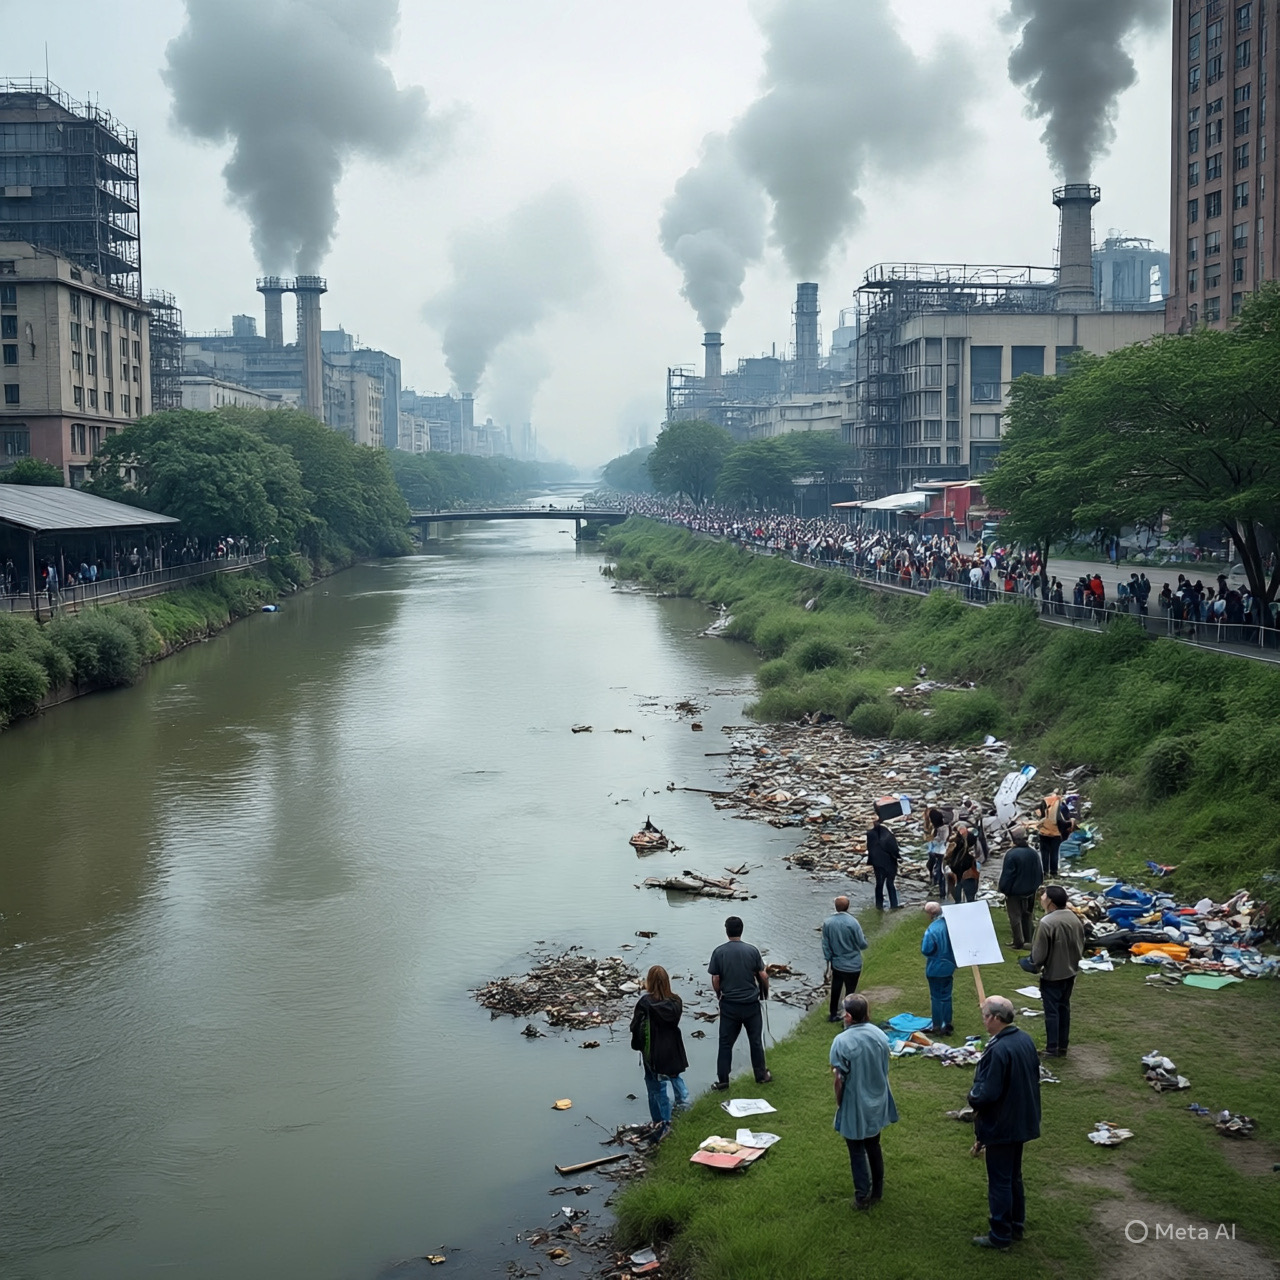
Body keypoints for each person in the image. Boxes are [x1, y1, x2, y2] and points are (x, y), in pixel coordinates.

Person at [967, 997, 1042, 1248]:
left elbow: (988, 1093)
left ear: (997, 1019)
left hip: (1002, 1122)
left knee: (1000, 1180)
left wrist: (972, 1098)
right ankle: (1016, 1226)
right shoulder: (1024, 1039)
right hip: (1021, 1118)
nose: (983, 1020)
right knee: (1013, 1177)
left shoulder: (999, 1049)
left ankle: (1000, 1235)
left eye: (985, 1016)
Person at [830, 993, 898, 1210]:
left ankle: (861, 1197)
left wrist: (840, 1102)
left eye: (843, 1011)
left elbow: (839, 1078)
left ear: (849, 1016)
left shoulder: (842, 1041)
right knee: (873, 1144)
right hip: (877, 1097)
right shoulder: (880, 1034)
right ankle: (877, 1191)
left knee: (856, 1148)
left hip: (856, 1100)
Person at [1020, 886, 1085, 1058]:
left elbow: (1039, 954)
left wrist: (1030, 963)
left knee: (1052, 1011)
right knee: (1064, 1008)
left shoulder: (1047, 922)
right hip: (1071, 970)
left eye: (1044, 896)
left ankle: (1052, 1048)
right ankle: (1063, 1046)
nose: (1041, 898)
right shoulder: (1073, 917)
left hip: (1054, 972)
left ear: (1050, 901)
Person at [708, 915, 771, 1088]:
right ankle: (761, 1075)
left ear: (727, 931)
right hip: (751, 1004)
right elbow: (763, 976)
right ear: (741, 930)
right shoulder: (752, 950)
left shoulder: (719, 952)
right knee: (755, 1041)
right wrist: (764, 993)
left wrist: (719, 994)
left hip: (730, 1005)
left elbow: (716, 978)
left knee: (725, 1043)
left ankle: (723, 1081)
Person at [628, 965, 690, 1137]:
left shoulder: (645, 1003)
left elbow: (636, 1027)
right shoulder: (676, 1002)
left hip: (653, 1051)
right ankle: (684, 1113)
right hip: (673, 1048)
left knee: (656, 1086)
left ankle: (660, 1121)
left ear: (650, 982)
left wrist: (638, 1046)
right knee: (676, 1079)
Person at [822, 896, 869, 1023]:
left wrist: (828, 960)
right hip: (853, 964)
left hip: (837, 963)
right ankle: (849, 1016)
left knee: (835, 989)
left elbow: (825, 945)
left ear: (835, 907)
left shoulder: (828, 922)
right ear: (848, 907)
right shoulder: (853, 922)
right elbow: (862, 944)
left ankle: (832, 1015)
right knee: (850, 992)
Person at [997, 826, 1042, 950]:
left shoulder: (1011, 854)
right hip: (1031, 890)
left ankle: (1018, 942)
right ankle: (1028, 939)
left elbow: (1008, 875)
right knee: (1027, 914)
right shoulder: (1033, 853)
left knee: (1015, 916)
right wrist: (1036, 886)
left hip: (1015, 891)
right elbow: (1039, 871)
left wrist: (1003, 889)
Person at [921, 902, 956, 1035]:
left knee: (936, 997)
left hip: (935, 966)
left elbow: (926, 949)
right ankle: (947, 1023)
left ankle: (937, 1025)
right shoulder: (950, 925)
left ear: (931, 914)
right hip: (949, 965)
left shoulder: (932, 929)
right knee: (947, 995)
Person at [1033, 791, 1073, 878]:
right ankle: (1054, 872)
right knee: (1054, 853)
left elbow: (1038, 814)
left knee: (1044, 853)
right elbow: (1065, 819)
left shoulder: (1044, 803)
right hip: (1056, 833)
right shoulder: (1061, 805)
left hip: (1043, 833)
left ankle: (1045, 871)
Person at [865, 813, 901, 910]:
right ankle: (894, 904)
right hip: (889, 863)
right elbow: (894, 849)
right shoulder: (887, 834)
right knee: (890, 884)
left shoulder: (870, 834)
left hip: (877, 863)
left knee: (879, 884)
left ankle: (879, 905)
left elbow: (870, 848)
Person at [945, 822, 980, 903]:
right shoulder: (970, 859)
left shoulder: (952, 857)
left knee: (957, 899)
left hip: (956, 886)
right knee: (970, 899)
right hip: (968, 882)